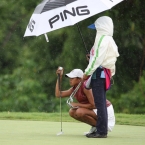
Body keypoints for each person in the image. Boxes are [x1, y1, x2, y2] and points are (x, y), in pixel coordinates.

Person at [83, 16, 119, 138]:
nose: (96, 31)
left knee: (100, 104)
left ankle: (101, 131)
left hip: (99, 75)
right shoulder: (109, 40)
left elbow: (98, 60)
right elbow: (100, 58)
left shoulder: (102, 40)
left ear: (102, 28)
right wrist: (90, 58)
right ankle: (100, 129)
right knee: (100, 103)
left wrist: (86, 73)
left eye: (97, 28)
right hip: (103, 74)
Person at [55, 67, 115, 134]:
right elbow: (58, 94)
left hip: (105, 110)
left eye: (72, 78)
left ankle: (101, 128)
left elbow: (94, 105)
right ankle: (95, 127)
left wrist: (77, 104)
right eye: (70, 78)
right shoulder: (75, 88)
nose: (70, 80)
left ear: (79, 79)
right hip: (97, 110)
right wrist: (59, 77)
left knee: (79, 111)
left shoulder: (85, 87)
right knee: (72, 112)